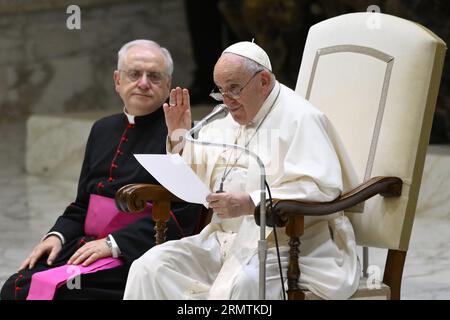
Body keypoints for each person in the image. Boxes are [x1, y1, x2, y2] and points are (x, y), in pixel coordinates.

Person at [123, 41, 361, 300]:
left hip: (286, 246)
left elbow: (320, 187)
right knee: (149, 267)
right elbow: (203, 174)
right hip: (223, 240)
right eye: (221, 91)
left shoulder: (301, 119)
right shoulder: (225, 118)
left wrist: (252, 203)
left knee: (244, 284)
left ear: (264, 81)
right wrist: (180, 138)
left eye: (234, 89)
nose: (227, 100)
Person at [0, 40, 201, 300]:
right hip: (85, 244)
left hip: (137, 253)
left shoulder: (180, 133)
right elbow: (83, 204)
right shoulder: (102, 129)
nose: (143, 82)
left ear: (167, 85)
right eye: (134, 74)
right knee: (13, 287)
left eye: (154, 76)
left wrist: (114, 244)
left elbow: (182, 217)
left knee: (65, 294)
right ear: (118, 81)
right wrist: (57, 236)